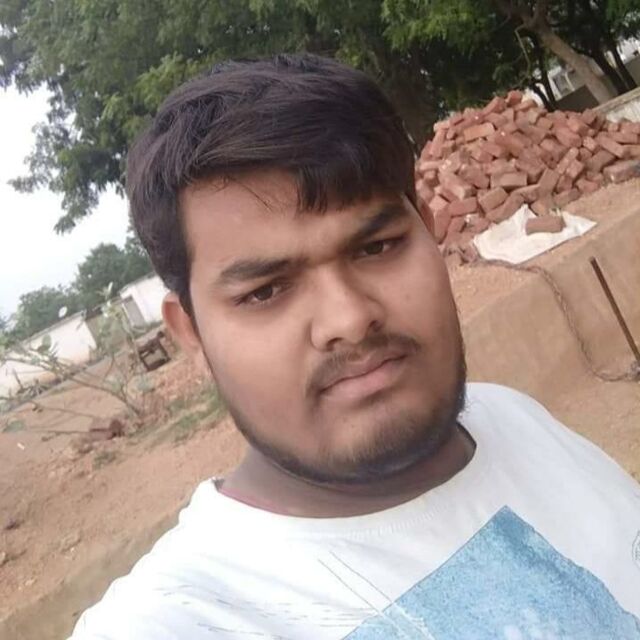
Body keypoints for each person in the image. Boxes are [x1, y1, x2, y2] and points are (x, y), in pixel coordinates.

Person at [69, 54, 640, 640]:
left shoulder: (515, 418)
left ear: (429, 231)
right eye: (265, 291)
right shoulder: (181, 620)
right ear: (191, 333)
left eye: (377, 247)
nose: (349, 318)